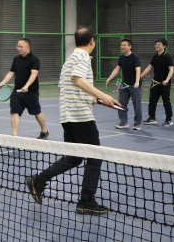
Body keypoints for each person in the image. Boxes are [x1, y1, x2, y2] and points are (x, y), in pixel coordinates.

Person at [25, 26, 119, 215]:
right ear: (93, 41)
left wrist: (90, 98)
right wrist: (102, 96)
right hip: (81, 117)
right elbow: (78, 79)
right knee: (95, 156)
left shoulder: (70, 59)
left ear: (75, 41)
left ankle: (39, 180)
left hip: (67, 117)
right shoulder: (83, 57)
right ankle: (86, 201)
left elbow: (64, 87)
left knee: (75, 157)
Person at [0, 38, 48, 139]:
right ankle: (15, 135)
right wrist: (1, 83)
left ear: (28, 47)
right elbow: (11, 72)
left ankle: (44, 130)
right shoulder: (16, 59)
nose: (18, 48)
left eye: (21, 47)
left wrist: (27, 86)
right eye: (17, 46)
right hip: (17, 92)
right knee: (14, 112)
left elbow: (34, 74)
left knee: (36, 112)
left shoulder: (34, 59)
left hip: (31, 92)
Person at [106, 39, 143, 131]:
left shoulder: (135, 57)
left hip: (134, 85)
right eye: (121, 45)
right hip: (124, 84)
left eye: (124, 45)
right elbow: (117, 68)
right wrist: (109, 78)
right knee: (121, 103)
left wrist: (137, 82)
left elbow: (138, 70)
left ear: (130, 46)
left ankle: (137, 123)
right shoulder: (122, 57)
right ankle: (123, 122)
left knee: (137, 105)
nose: (122, 47)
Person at [142, 38, 174, 126]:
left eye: (159, 44)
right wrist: (140, 77)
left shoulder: (167, 57)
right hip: (155, 83)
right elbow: (149, 67)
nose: (157, 46)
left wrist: (167, 80)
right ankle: (152, 118)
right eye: (156, 44)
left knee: (166, 102)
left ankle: (169, 119)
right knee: (152, 101)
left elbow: (171, 69)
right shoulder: (155, 56)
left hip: (164, 84)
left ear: (164, 46)